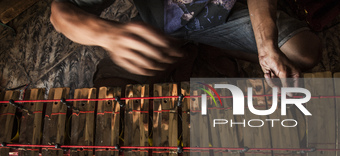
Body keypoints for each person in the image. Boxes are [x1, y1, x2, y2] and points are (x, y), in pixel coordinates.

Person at [50, 0, 322, 88]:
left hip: (222, 15)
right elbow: (61, 12)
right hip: (158, 29)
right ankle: (188, 43)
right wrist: (108, 34)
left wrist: (266, 44)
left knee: (304, 54)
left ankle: (209, 44)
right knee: (111, 94)